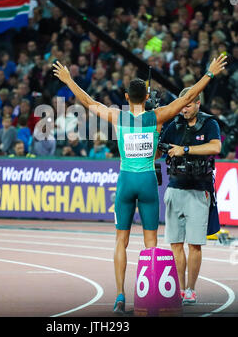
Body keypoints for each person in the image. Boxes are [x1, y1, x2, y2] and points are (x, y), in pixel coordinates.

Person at [52, 54, 227, 314]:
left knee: (120, 241)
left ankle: (120, 295)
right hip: (147, 182)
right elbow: (187, 98)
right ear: (147, 97)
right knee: (151, 244)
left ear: (126, 98)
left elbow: (88, 101)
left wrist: (68, 80)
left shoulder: (116, 116)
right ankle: (150, 292)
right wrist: (210, 73)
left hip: (125, 181)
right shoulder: (156, 117)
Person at [158, 86, 223, 304]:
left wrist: (185, 150)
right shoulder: (174, 124)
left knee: (195, 244)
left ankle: (190, 289)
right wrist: (156, 131)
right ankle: (178, 289)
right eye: (181, 104)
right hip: (175, 188)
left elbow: (215, 147)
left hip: (199, 190)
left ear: (197, 103)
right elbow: (158, 152)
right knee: (176, 243)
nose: (183, 108)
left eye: (187, 104)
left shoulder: (209, 123)